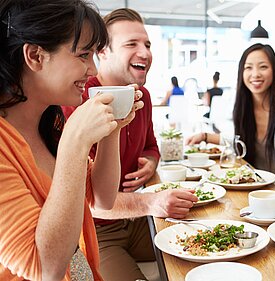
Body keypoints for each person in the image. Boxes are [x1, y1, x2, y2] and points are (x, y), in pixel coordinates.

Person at [0, 0, 144, 280]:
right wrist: (73, 145)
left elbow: (102, 198)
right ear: (35, 56)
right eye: (83, 55)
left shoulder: (49, 122)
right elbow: (44, 268)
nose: (92, 69)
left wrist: (112, 127)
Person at [62, 8, 198, 281]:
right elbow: (90, 201)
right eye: (131, 44)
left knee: (200, 244)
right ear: (102, 52)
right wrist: (150, 203)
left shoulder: (142, 96)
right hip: (98, 231)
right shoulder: (75, 99)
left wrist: (150, 162)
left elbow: (152, 146)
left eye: (147, 44)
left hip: (137, 221)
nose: (145, 52)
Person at [186, 43, 275, 189]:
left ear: (274, 70)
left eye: (263, 67)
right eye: (248, 67)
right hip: (251, 185)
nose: (255, 74)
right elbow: (238, 142)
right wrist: (205, 136)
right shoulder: (242, 106)